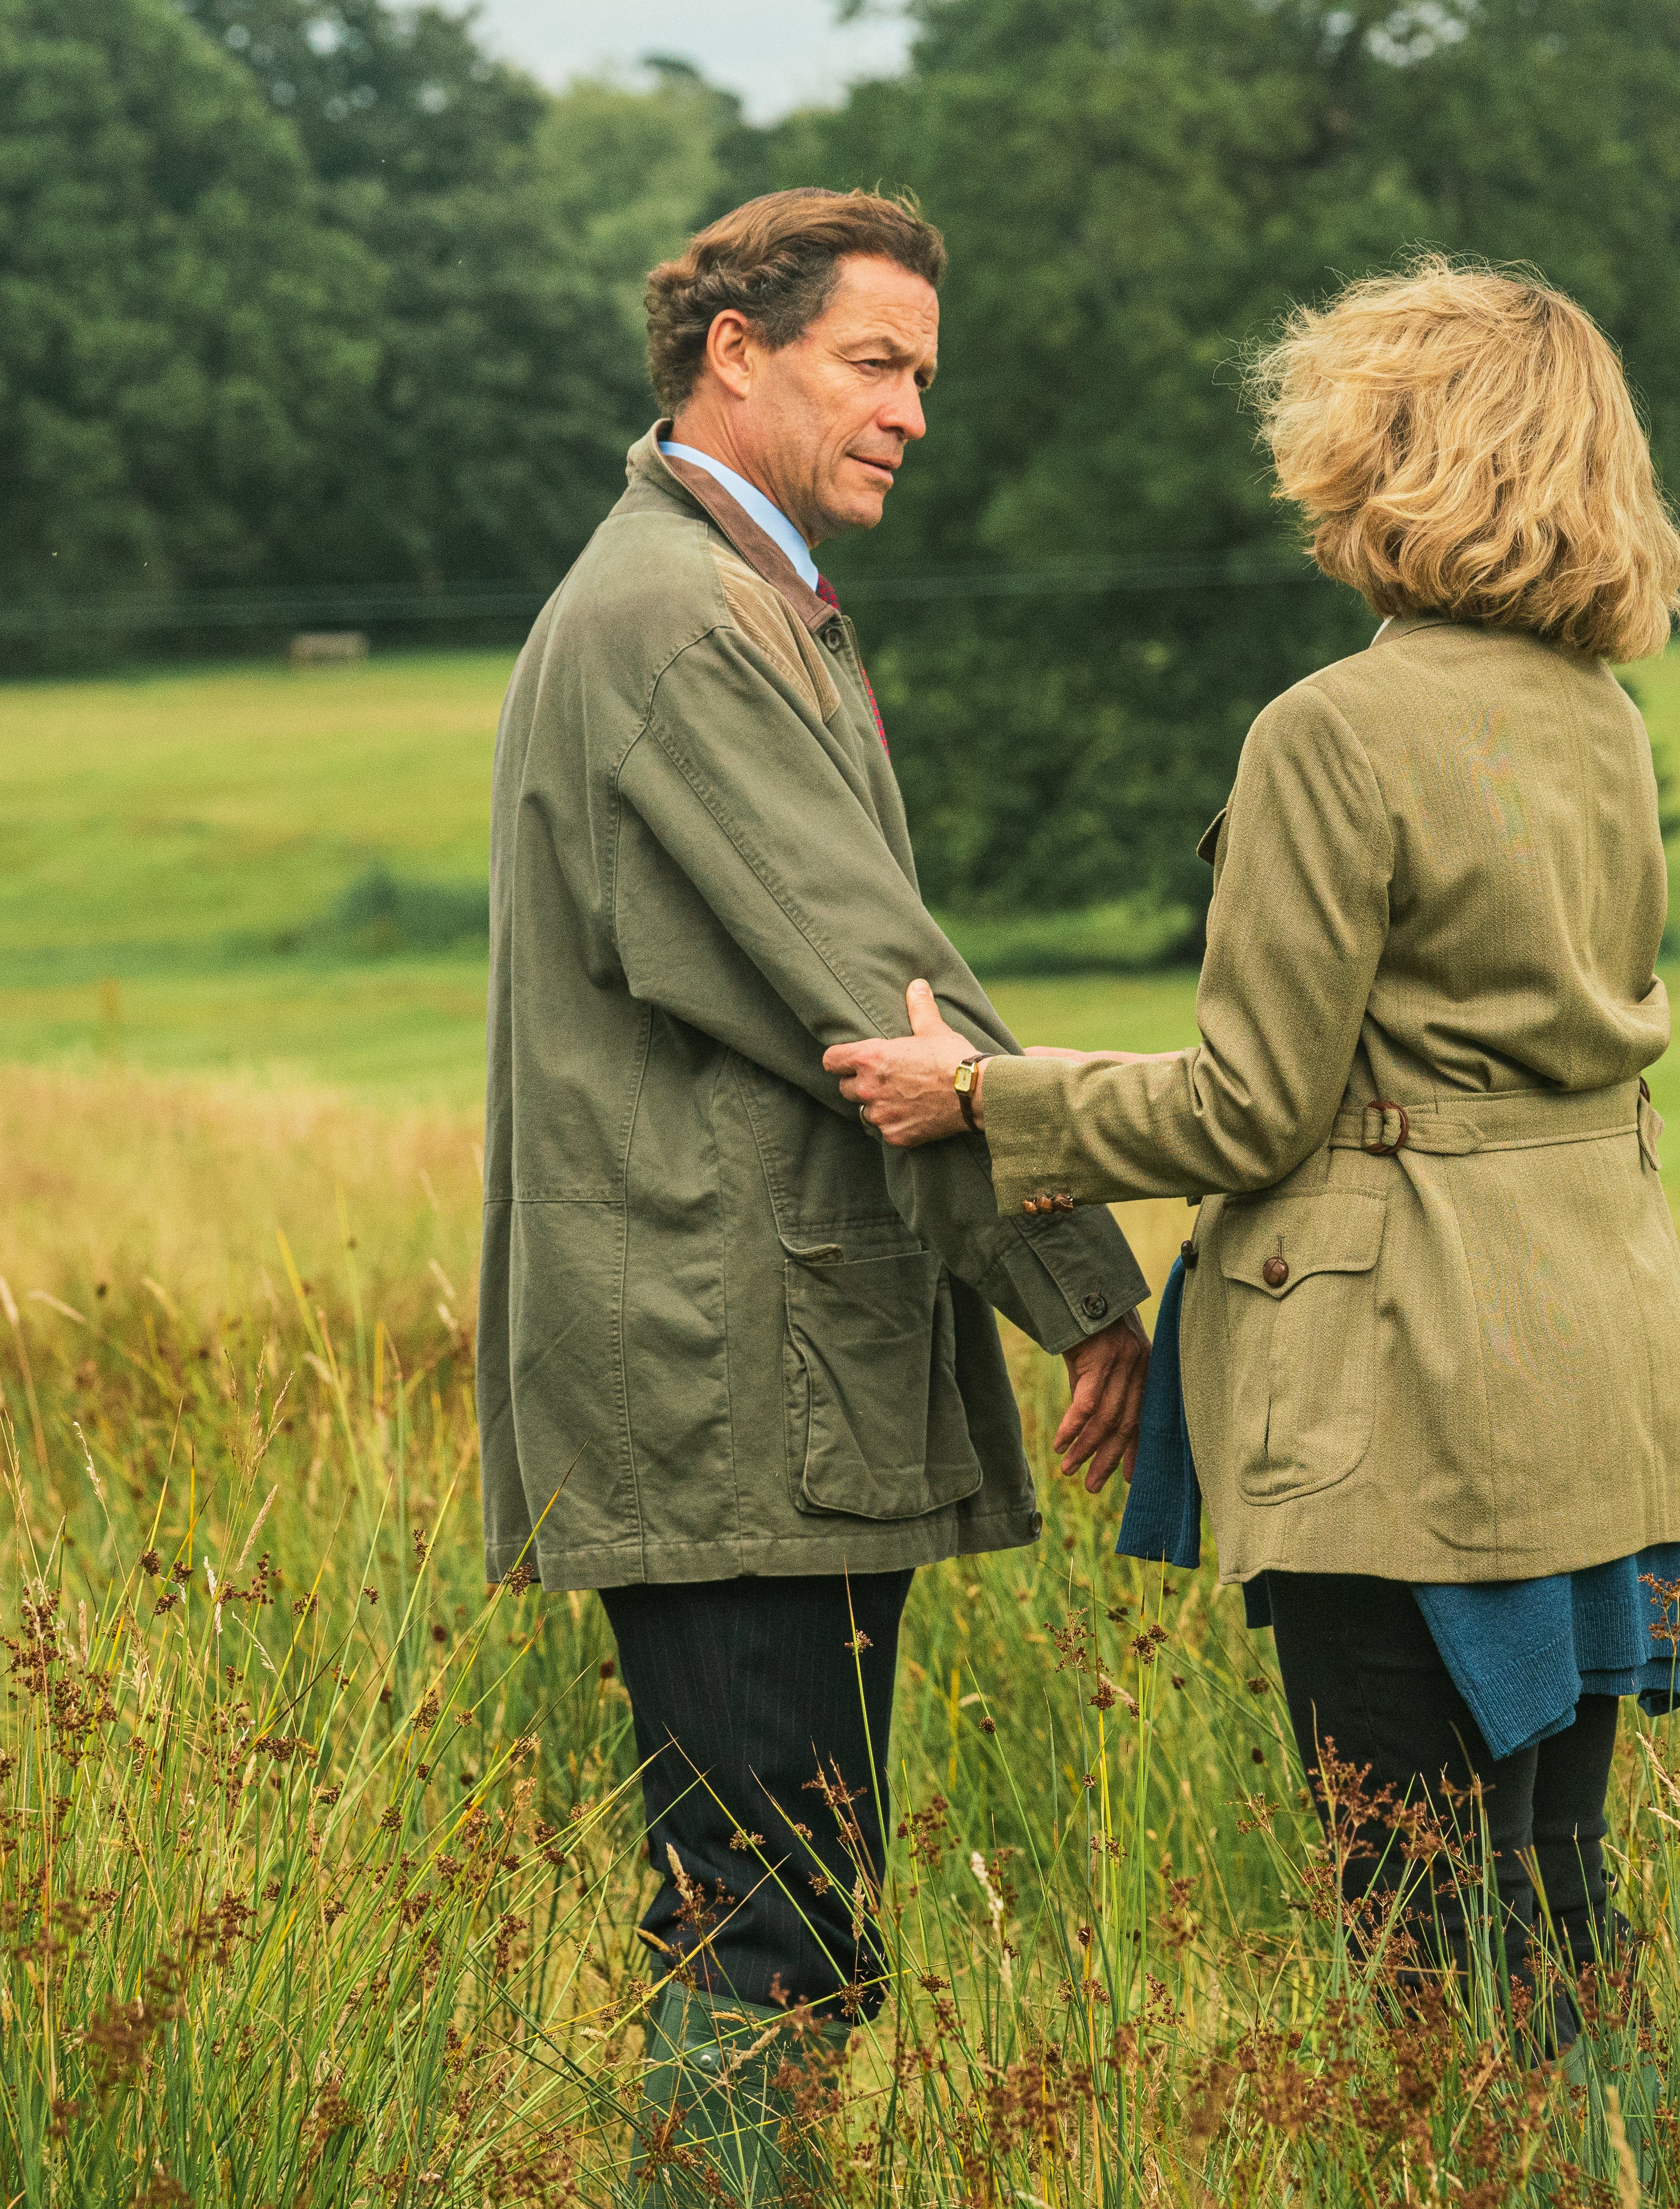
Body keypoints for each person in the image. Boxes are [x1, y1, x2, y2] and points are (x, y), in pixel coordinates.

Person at [826, 257, 1680, 2031]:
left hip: (1412, 1396)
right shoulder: (1599, 716)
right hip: (1600, 1364)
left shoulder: (1333, 728)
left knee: (1425, 1935)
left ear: (1384, 452)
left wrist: (984, 1100)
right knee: (1555, 1903)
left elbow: (1251, 1107)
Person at [479, 188, 1154, 2199]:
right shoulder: (681, 623)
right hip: (725, 1367)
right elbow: (885, 1000)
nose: (913, 414)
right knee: (769, 1915)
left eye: (925, 376)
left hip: (755, 1361)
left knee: (782, 1900)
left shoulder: (729, 597)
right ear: (734, 352)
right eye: (877, 363)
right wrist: (1092, 1290)